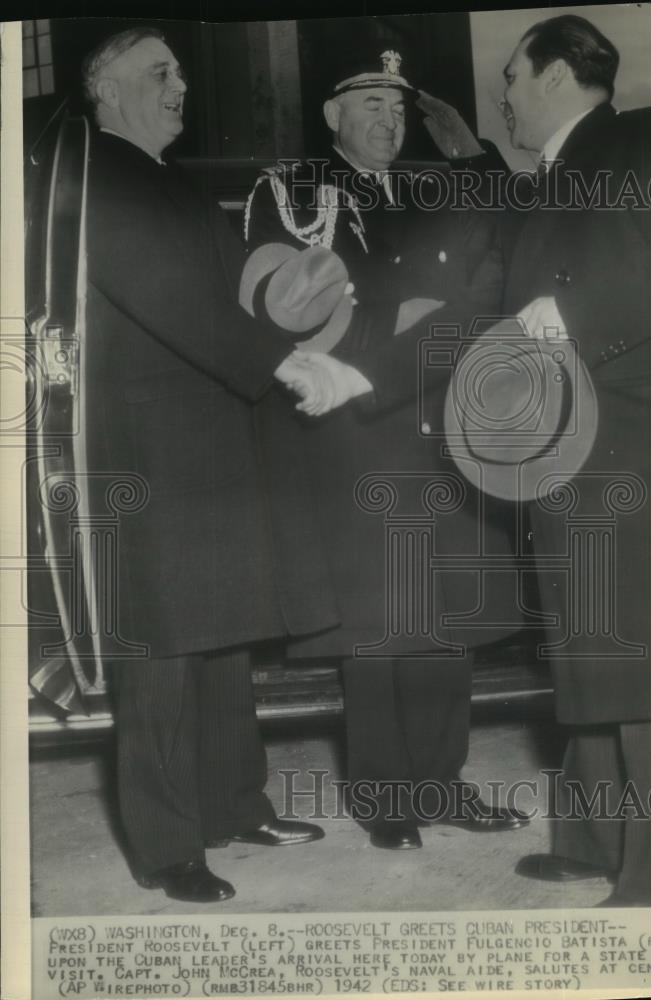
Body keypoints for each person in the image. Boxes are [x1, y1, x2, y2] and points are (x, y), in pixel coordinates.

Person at [425, 14, 651, 905]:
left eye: (513, 81)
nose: (505, 100)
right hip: (571, 461)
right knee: (594, 651)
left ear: (558, 73)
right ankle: (596, 840)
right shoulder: (544, 184)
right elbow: (496, 311)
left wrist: (575, 316)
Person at [80, 27, 361, 903]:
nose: (179, 87)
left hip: (206, 438)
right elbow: (169, 300)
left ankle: (235, 806)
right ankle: (166, 848)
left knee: (223, 636)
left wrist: (306, 326)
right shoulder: (100, 176)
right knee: (161, 652)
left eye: (180, 74)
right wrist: (283, 362)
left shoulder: (158, 178)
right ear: (107, 90)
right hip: (149, 447)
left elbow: (223, 297)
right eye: (158, 73)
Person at [243, 48, 530, 850]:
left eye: (397, 108)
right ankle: (385, 796)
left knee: (443, 616)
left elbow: (506, 255)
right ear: (332, 116)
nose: (387, 118)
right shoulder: (293, 189)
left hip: (438, 414)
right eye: (368, 102)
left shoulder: (439, 183)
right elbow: (285, 299)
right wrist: (401, 322)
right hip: (354, 427)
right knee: (377, 622)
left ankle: (440, 783)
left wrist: (471, 156)